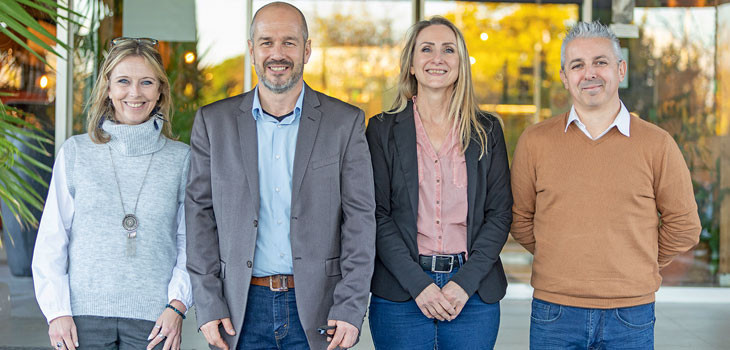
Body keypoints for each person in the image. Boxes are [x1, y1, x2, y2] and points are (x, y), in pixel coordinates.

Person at [185, 2, 376, 350]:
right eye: (267, 42)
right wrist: (208, 302)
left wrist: (351, 305)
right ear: (252, 49)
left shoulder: (344, 123)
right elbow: (199, 216)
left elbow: (360, 221)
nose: (278, 53)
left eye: (289, 42)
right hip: (239, 309)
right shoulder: (214, 123)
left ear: (307, 49)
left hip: (320, 310)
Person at [510, 21, 702, 349]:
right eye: (577, 65)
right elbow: (519, 219)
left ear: (621, 69)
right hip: (554, 312)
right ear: (563, 76)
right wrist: (561, 255)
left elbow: (684, 226)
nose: (590, 73)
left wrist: (635, 262)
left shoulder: (657, 144)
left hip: (630, 313)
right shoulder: (535, 141)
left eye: (600, 62)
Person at [32, 37, 192, 350]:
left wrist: (177, 305)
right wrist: (56, 312)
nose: (135, 93)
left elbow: (191, 242)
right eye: (123, 81)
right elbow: (53, 238)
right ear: (108, 87)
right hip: (81, 320)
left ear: (160, 90)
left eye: (146, 82)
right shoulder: (75, 153)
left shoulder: (182, 159)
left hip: (155, 321)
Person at [365, 16, 512, 349]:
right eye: (426, 49)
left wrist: (463, 284)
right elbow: (376, 214)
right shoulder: (381, 130)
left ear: (461, 64)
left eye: (449, 50)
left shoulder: (487, 130)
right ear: (412, 65)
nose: (438, 58)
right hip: (401, 294)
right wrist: (420, 285)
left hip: (473, 295)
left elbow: (500, 214)